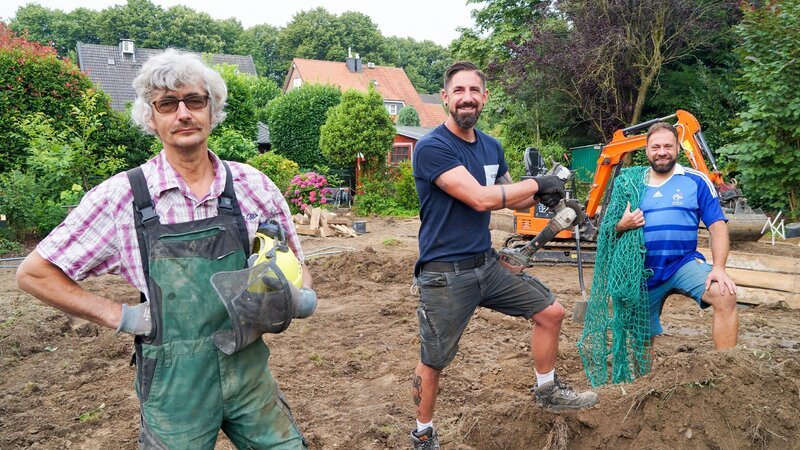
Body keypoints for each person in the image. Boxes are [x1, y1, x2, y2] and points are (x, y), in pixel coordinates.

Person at [16, 49, 315, 449]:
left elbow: (296, 263)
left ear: (212, 110)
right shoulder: (122, 198)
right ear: (150, 117)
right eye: (167, 104)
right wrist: (123, 316)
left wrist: (298, 296)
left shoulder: (253, 186)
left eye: (195, 100)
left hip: (249, 374)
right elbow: (34, 273)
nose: (184, 114)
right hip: (174, 389)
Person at [409, 61, 598, 449]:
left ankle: (547, 390)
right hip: (445, 274)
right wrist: (537, 183)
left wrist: (549, 194)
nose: (466, 98)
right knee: (434, 360)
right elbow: (480, 199)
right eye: (458, 91)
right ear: (445, 98)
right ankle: (423, 433)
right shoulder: (432, 148)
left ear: (484, 97)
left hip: (487, 263)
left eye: (473, 91)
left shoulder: (491, 146)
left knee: (551, 313)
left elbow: (512, 199)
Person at [615, 122, 738, 350]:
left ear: (678, 148)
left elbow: (717, 226)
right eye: (656, 147)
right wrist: (622, 225)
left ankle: (727, 364)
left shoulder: (696, 180)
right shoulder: (630, 183)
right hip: (641, 271)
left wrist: (719, 268)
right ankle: (644, 372)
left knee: (725, 294)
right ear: (646, 150)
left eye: (668, 146)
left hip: (683, 263)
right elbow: (608, 230)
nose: (662, 152)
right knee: (642, 340)